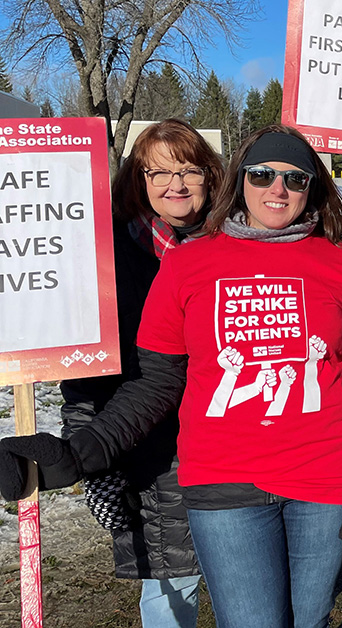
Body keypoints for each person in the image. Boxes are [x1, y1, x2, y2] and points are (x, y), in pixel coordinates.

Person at [0, 125, 342, 628]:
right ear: (240, 180)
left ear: (313, 188)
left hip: (324, 479)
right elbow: (156, 382)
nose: (277, 189)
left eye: (295, 179)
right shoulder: (188, 264)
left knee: (311, 620)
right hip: (224, 483)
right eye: (262, 175)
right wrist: (79, 452)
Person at [56, 119, 221, 628]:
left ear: (211, 177)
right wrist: (86, 443)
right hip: (147, 438)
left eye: (190, 170)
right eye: (160, 172)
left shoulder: (231, 246)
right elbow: (87, 360)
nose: (176, 184)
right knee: (170, 580)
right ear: (137, 179)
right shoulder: (105, 253)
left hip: (224, 433)